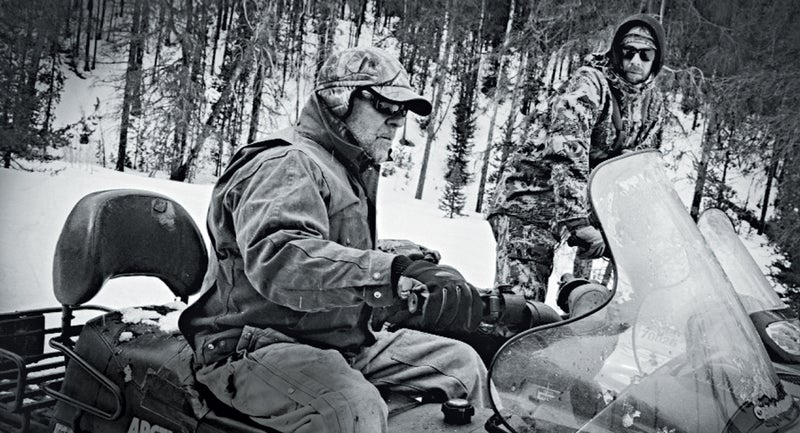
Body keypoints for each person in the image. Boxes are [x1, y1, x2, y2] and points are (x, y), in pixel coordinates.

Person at [178, 47, 488, 433]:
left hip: (338, 341)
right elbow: (283, 259)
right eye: (385, 106)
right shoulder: (287, 164)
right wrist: (391, 272)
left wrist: (416, 267)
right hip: (254, 344)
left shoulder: (345, 166)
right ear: (339, 100)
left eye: (402, 112)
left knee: (461, 367)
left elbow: (336, 248)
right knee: (349, 409)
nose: (396, 121)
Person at [487, 13, 667, 301]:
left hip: (578, 210)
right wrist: (578, 222)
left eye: (645, 55)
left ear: (655, 61)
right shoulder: (589, 84)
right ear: (616, 52)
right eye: (628, 52)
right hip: (529, 200)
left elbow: (639, 173)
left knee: (585, 306)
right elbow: (568, 151)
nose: (635, 61)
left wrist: (636, 236)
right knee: (520, 306)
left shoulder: (653, 105)